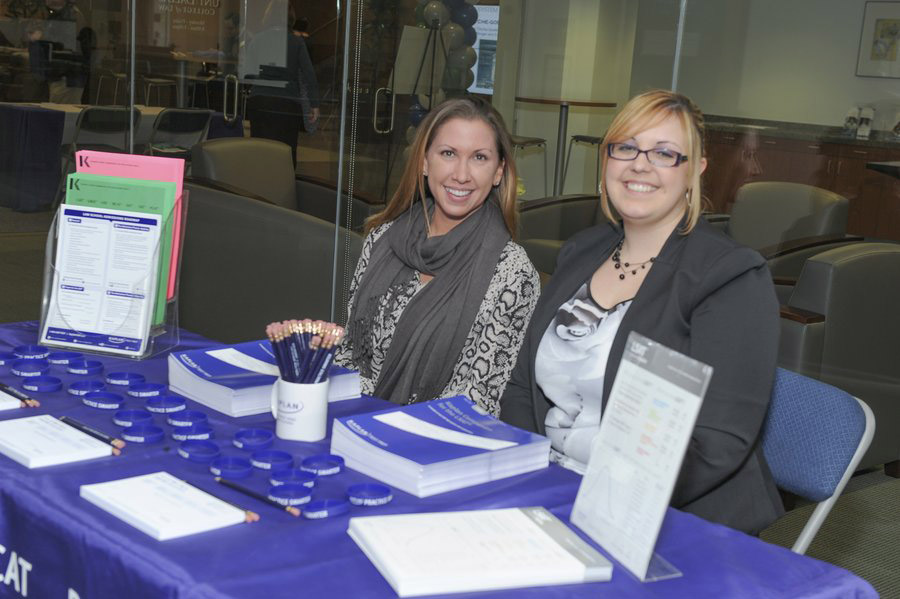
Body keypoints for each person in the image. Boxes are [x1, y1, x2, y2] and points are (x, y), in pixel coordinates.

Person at [499, 90, 783, 534]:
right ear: (606, 159)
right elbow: (521, 388)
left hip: (667, 517)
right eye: (626, 147)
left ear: (695, 171)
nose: (640, 164)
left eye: (665, 153)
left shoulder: (730, 277)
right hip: (553, 488)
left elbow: (717, 443)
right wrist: (527, 477)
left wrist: (603, 506)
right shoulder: (581, 252)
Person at [336, 97, 540, 416]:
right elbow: (347, 356)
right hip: (353, 424)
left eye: (479, 158)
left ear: (499, 171)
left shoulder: (511, 271)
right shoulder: (382, 240)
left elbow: (478, 398)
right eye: (448, 153)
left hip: (438, 445)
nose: (461, 174)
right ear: (424, 162)